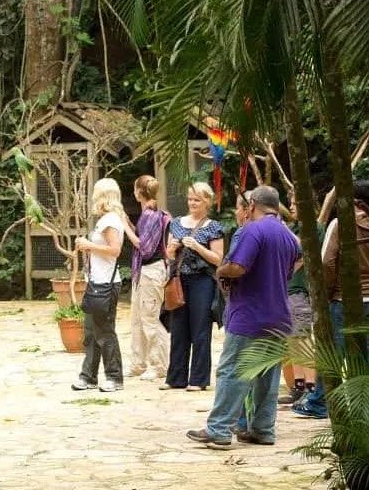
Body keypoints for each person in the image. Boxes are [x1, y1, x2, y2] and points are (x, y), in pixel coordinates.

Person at [187, 186, 300, 448]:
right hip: (279, 316)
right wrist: (279, 277)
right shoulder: (286, 233)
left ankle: (219, 430)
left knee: (232, 371)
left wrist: (221, 272)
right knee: (266, 377)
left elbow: (237, 267)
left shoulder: (253, 229)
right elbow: (300, 257)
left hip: (250, 314)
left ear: (251, 205)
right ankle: (262, 430)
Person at [293, 180, 369, 419]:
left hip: (343, 300)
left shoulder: (340, 224)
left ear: (353, 201)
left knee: (332, 354)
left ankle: (319, 403)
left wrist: (324, 295)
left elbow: (326, 262)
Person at [160, 182, 224, 391]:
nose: (192, 203)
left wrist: (196, 246)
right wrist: (172, 249)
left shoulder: (213, 227)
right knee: (178, 328)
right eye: (190, 199)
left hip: (202, 281)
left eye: (197, 199)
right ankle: (175, 377)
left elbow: (217, 259)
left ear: (207, 202)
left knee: (200, 329)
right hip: (179, 279)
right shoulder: (177, 223)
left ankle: (198, 379)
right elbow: (169, 254)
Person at [71, 178, 126, 392]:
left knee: (105, 331)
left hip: (106, 284)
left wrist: (88, 245)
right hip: (96, 282)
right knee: (91, 332)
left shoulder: (111, 220)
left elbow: (115, 250)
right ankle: (88, 376)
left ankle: (115, 377)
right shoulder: (105, 219)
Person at [122, 175, 170, 381]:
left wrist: (125, 228)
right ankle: (138, 362)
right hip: (142, 272)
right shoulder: (146, 215)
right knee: (137, 320)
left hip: (152, 271)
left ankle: (159, 365)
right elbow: (142, 237)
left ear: (140, 193)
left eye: (134, 189)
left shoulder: (150, 215)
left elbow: (145, 248)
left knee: (150, 319)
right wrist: (127, 222)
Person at [277, 194, 321, 405]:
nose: (292, 206)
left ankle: (311, 387)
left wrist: (282, 228)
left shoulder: (316, 228)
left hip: (302, 289)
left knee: (302, 337)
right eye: (291, 202)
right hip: (286, 288)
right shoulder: (293, 228)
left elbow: (304, 250)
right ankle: (298, 385)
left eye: (296, 202)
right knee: (291, 339)